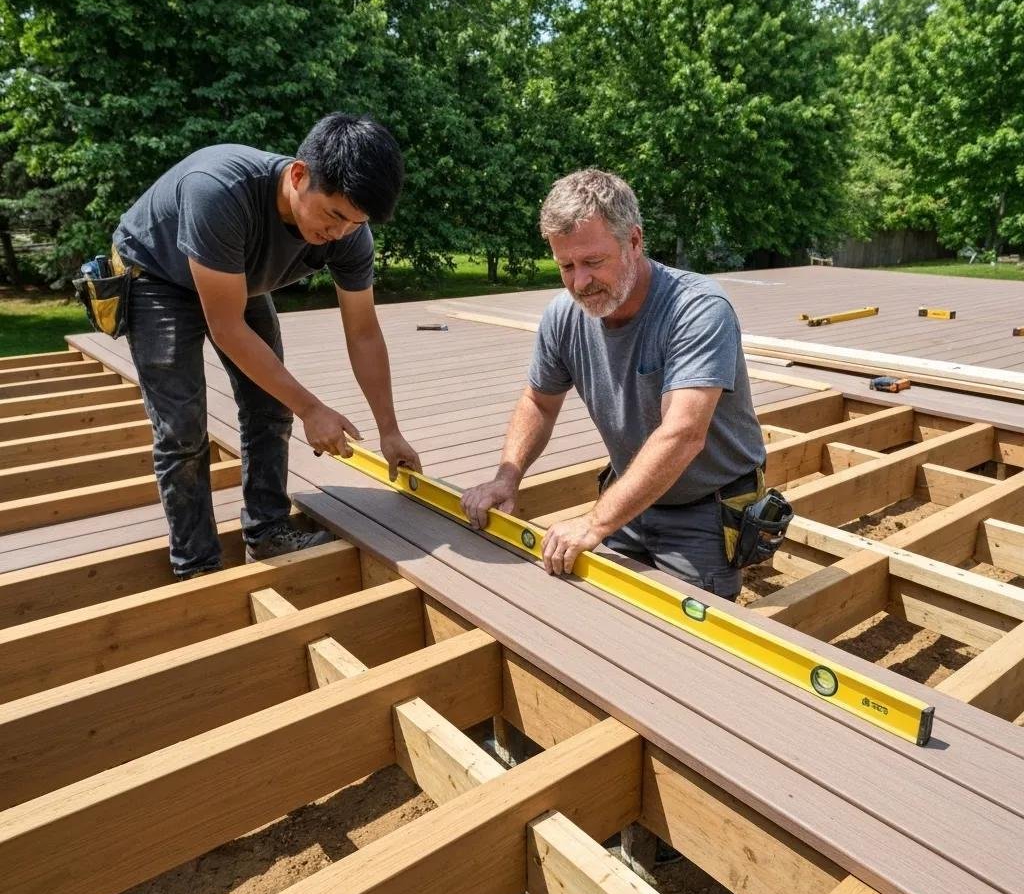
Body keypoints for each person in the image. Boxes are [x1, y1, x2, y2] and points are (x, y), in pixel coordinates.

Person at [112, 113, 420, 579]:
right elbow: (228, 327)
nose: (340, 233)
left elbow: (363, 331)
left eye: (355, 223)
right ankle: (196, 564)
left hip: (239, 280)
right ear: (299, 175)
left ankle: (267, 531)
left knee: (271, 407)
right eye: (334, 216)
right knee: (181, 427)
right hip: (158, 277)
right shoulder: (218, 191)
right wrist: (312, 408)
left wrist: (389, 429)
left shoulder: (350, 232)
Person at [460, 169, 765, 601]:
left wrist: (595, 524)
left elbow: (682, 435)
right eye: (566, 265)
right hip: (626, 494)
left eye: (593, 262)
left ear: (635, 242)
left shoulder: (696, 310)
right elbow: (539, 402)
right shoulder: (564, 316)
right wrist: (506, 477)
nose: (579, 282)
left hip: (705, 508)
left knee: (692, 645)